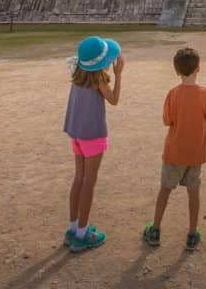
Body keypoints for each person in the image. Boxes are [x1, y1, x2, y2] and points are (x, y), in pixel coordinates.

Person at [143, 47, 206, 251]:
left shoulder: (173, 94)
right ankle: (192, 233)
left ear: (176, 71)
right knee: (194, 191)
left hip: (174, 151)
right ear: (198, 68)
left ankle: (156, 229)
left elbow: (167, 120)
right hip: (195, 153)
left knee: (165, 189)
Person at [63, 35, 124, 253]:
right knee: (89, 181)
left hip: (77, 133)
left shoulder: (77, 74)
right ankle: (82, 233)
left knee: (79, 178)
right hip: (93, 135)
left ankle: (72, 228)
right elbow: (114, 100)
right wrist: (118, 75)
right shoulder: (100, 78)